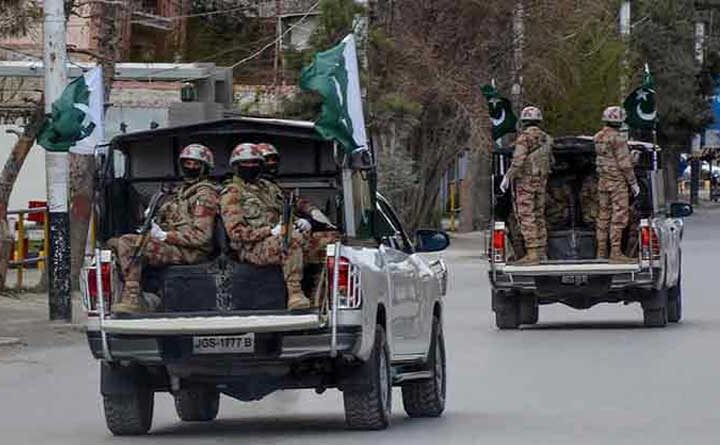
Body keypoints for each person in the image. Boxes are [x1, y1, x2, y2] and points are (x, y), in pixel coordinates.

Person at [113, 144, 219, 313]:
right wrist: (153, 221)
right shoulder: (181, 193)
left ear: (205, 168)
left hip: (192, 252)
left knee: (129, 243)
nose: (190, 167)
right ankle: (148, 293)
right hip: (177, 246)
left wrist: (165, 236)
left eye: (196, 164)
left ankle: (132, 297)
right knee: (114, 243)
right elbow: (166, 216)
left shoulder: (205, 195)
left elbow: (202, 237)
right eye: (187, 163)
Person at [220, 143, 311, 310]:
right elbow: (236, 233)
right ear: (236, 166)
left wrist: (298, 221)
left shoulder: (268, 188)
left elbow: (282, 210)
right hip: (252, 247)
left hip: (279, 236)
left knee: (328, 242)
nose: (250, 166)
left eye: (255, 163)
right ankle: (295, 293)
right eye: (245, 163)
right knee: (290, 241)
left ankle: (321, 295)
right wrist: (269, 231)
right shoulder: (232, 193)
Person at [256, 143, 338, 267]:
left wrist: (312, 215)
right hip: (269, 238)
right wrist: (274, 230)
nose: (272, 164)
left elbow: (295, 201)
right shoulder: (250, 191)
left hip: (288, 232)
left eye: (274, 160)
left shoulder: (273, 188)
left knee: (334, 239)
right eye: (267, 160)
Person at [500, 106, 554, 265]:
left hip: (526, 183)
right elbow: (551, 161)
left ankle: (532, 253)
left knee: (526, 216)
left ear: (524, 121)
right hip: (541, 182)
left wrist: (508, 176)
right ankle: (542, 252)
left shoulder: (524, 138)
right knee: (539, 216)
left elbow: (518, 160)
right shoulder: (547, 139)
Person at [594, 106, 640, 262]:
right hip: (617, 183)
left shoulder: (598, 137)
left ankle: (601, 252)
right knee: (619, 217)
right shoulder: (618, 139)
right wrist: (633, 182)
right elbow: (624, 165)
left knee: (603, 217)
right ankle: (615, 252)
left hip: (603, 182)